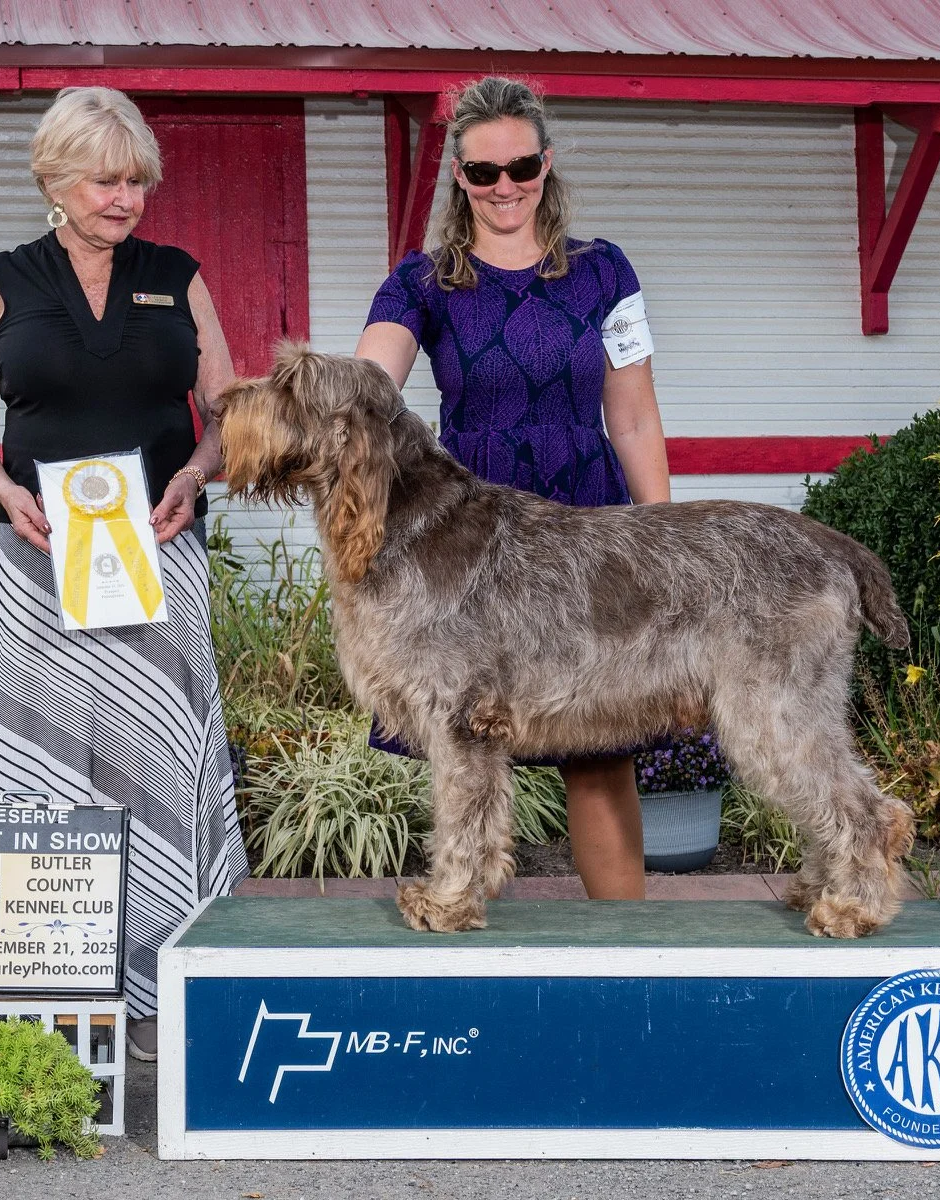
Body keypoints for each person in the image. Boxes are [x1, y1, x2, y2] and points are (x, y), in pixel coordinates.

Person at [0, 86, 248, 1061]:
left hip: (158, 560)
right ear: (55, 179)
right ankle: (36, 991)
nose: (124, 199)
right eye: (104, 181)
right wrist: (6, 491)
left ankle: (163, 983)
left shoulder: (177, 276)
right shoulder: (1, 281)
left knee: (158, 758)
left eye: (136, 183)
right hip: (41, 569)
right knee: (42, 762)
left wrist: (195, 475)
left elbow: (230, 416)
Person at [355, 76, 672, 902]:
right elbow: (366, 392)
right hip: (467, 550)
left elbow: (634, 418)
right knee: (466, 743)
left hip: (589, 535)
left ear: (547, 163)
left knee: (599, 755)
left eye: (521, 167)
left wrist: (667, 543)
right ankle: (463, 920)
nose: (505, 187)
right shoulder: (421, 283)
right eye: (484, 171)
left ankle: (625, 945)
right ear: (459, 176)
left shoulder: (604, 272)